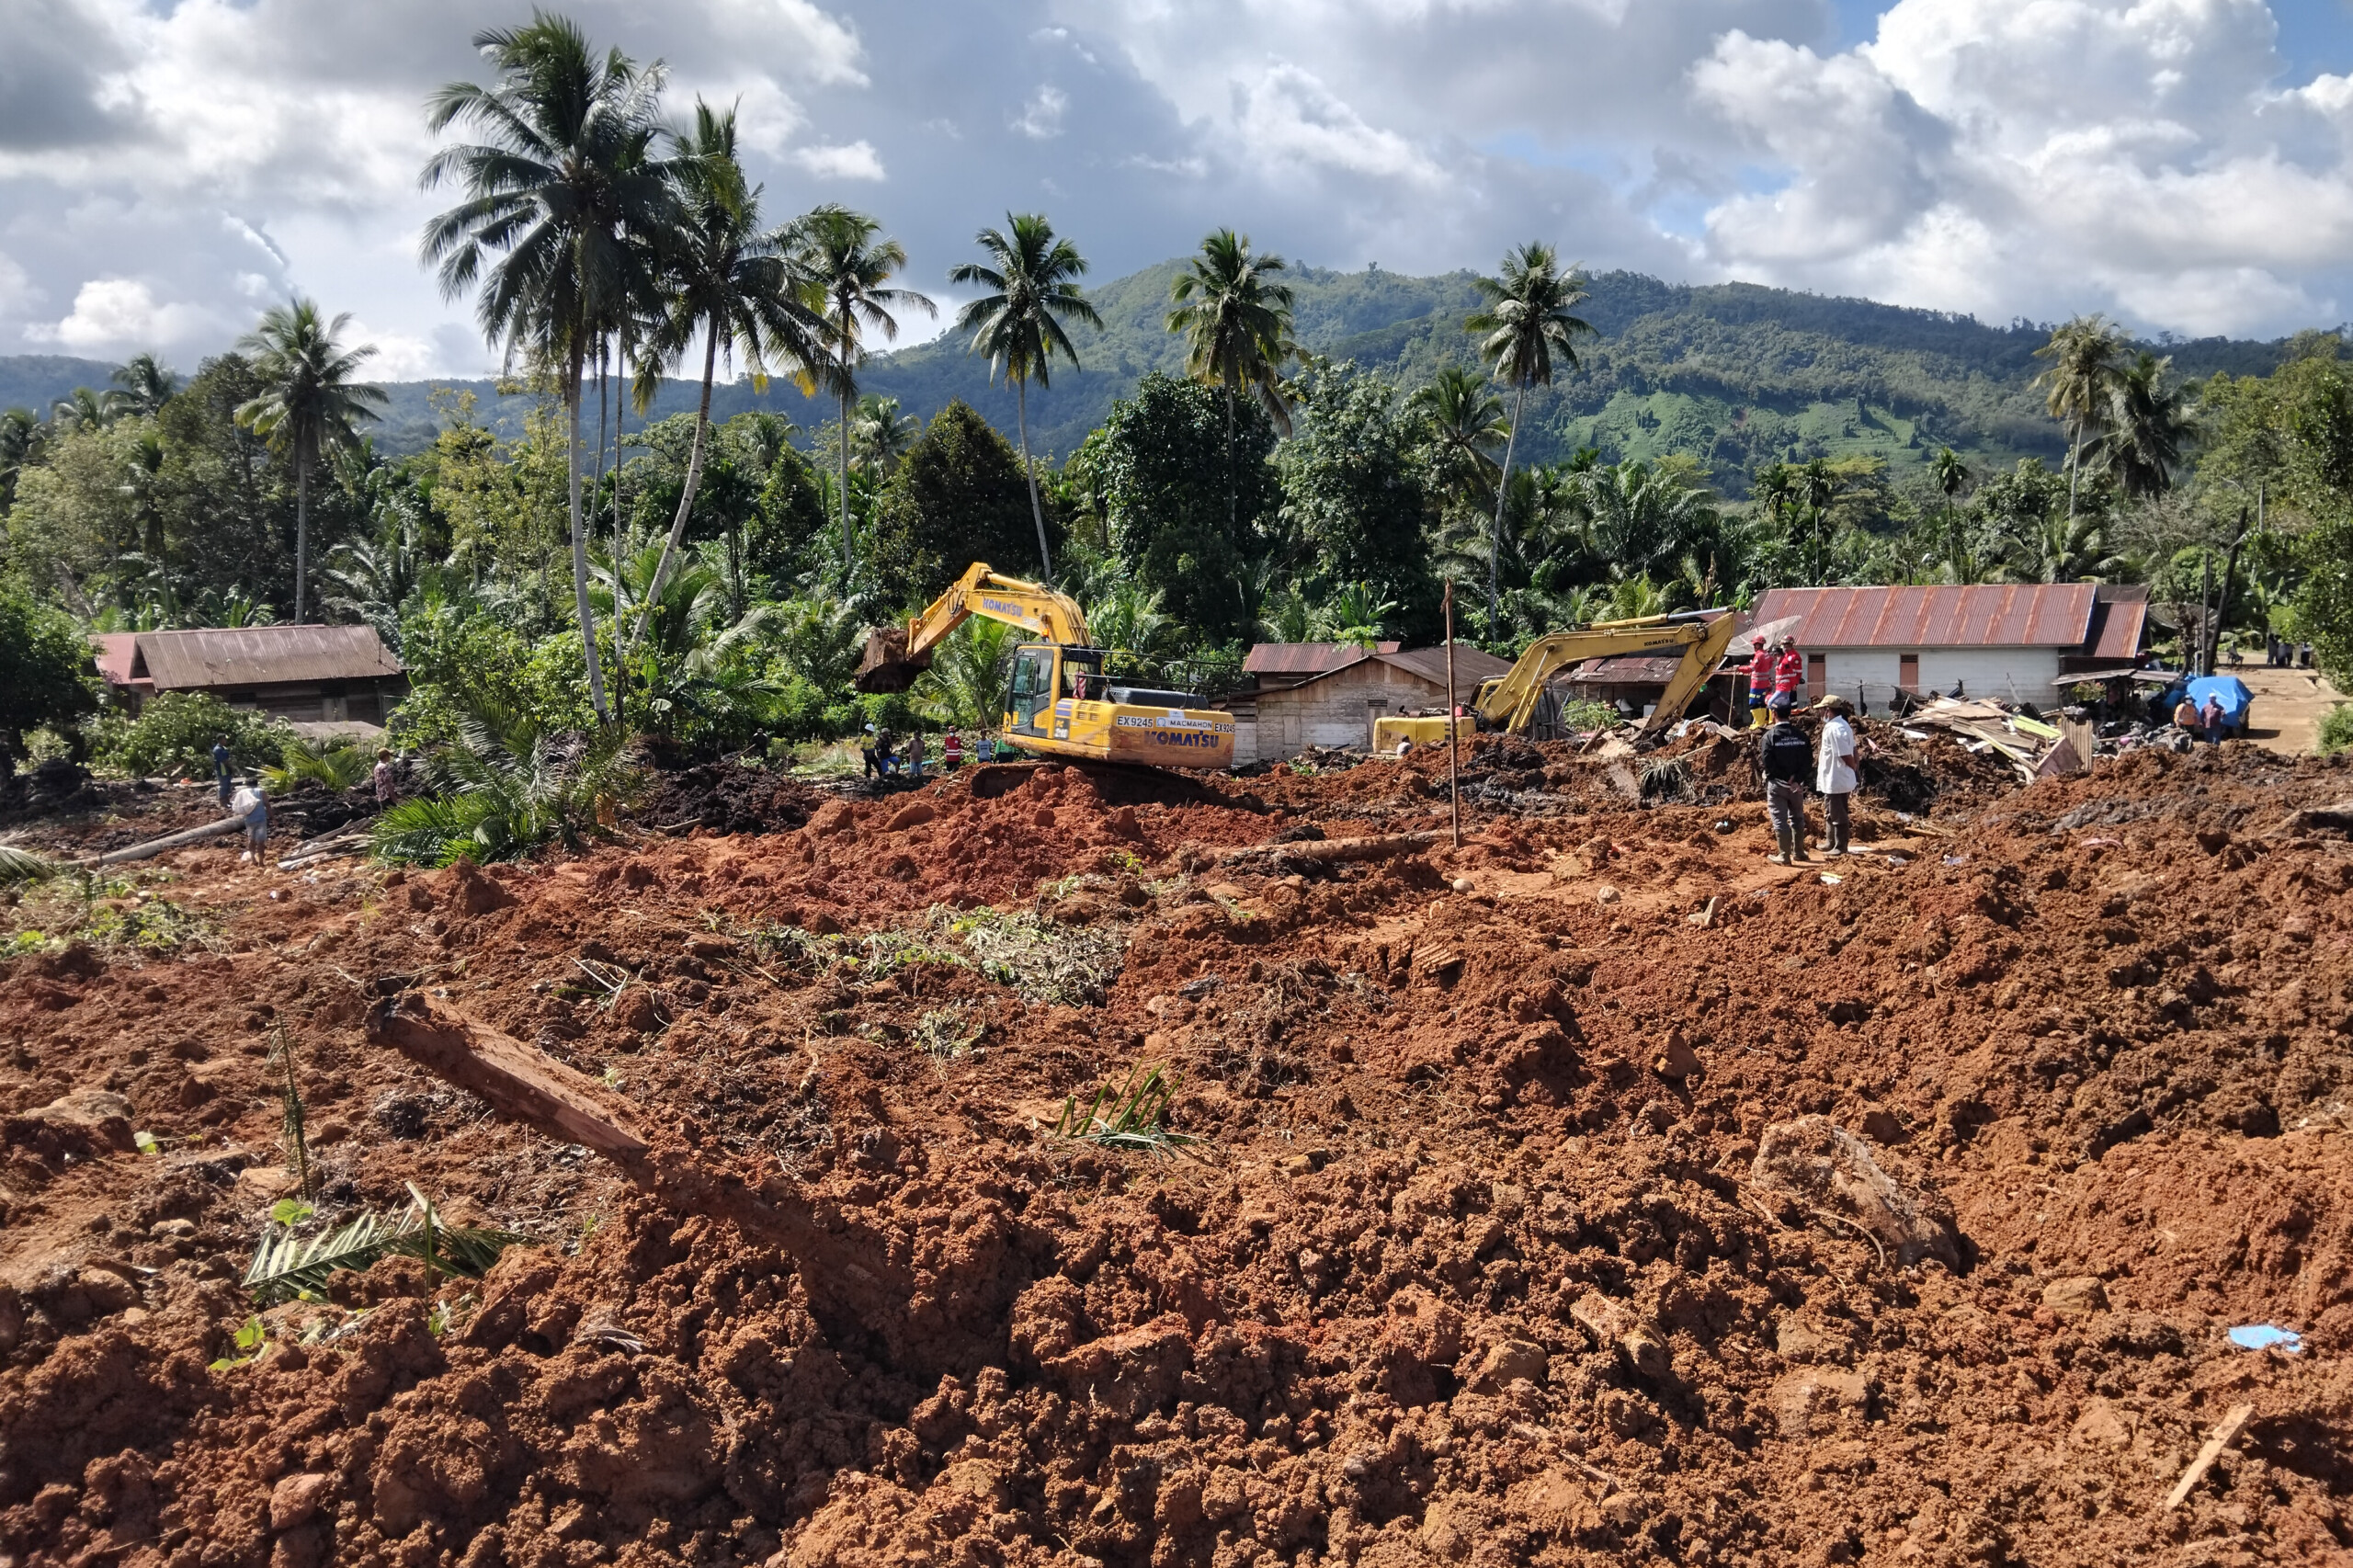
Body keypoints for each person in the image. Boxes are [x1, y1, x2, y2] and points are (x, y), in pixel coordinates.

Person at [1759, 694, 1813, 865]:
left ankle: (1784, 855)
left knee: (1779, 819)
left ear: (1774, 713)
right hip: (1797, 786)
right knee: (1798, 817)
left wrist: (1783, 778)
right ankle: (1799, 852)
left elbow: (1768, 763)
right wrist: (1796, 779)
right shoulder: (1802, 736)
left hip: (1777, 786)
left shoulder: (1769, 737)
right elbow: (1808, 761)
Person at [1813, 695, 1859, 856]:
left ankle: (1840, 846)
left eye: (1821, 711)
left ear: (1827, 711)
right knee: (1830, 810)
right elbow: (1854, 748)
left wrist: (1853, 767)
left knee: (1838, 812)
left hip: (1836, 777)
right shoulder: (1840, 725)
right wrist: (1854, 766)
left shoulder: (1835, 728)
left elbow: (1845, 754)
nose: (1820, 714)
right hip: (1833, 777)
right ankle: (1830, 841)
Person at [230, 777, 268, 864]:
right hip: (261, 819)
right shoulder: (261, 792)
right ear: (257, 783)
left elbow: (238, 805)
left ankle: (253, 859)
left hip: (249, 819)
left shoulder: (243, 793)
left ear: (247, 785)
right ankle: (261, 862)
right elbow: (267, 805)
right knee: (261, 841)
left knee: (252, 840)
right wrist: (273, 818)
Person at [1745, 634, 1773, 728]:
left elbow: (1751, 668)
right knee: (1761, 702)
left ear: (1757, 645)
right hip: (1764, 684)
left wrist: (1738, 668)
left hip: (1756, 685)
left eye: (1754, 645)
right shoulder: (1766, 654)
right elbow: (1771, 663)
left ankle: (1758, 723)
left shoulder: (1759, 655)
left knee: (1753, 703)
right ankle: (1764, 721)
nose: (1753, 647)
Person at [1774, 637, 1805, 711]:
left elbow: (1798, 671)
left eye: (1786, 645)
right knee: (1785, 700)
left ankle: (1793, 713)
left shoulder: (1794, 656)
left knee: (1792, 700)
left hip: (1791, 682)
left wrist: (1794, 684)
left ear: (1791, 645)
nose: (1784, 647)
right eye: (1783, 645)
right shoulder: (1786, 655)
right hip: (1785, 683)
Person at [210, 739, 234, 809]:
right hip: (222, 769)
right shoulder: (217, 750)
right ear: (220, 740)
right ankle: (223, 803)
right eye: (224, 739)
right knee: (223, 785)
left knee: (227, 784)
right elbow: (224, 760)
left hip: (226, 769)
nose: (226, 740)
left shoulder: (223, 748)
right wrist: (231, 767)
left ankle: (227, 801)